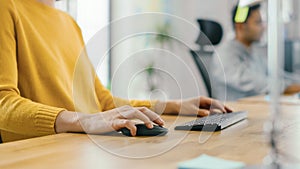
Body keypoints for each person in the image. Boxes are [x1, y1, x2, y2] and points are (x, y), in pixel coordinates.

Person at [0, 0, 232, 143]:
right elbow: (3, 102)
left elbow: (100, 100)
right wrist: (86, 121)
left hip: (79, 146)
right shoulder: (6, 7)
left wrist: (173, 106)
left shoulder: (69, 22)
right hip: (40, 153)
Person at [210, 3, 300, 101]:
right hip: (235, 111)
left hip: (257, 108)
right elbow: (256, 84)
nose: (263, 27)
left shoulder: (254, 52)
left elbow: (277, 74)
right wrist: (288, 87)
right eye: (258, 22)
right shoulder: (225, 54)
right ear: (240, 26)